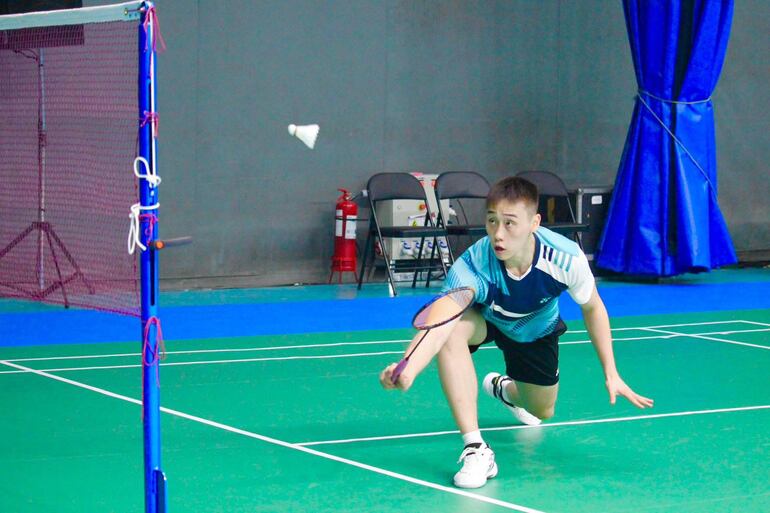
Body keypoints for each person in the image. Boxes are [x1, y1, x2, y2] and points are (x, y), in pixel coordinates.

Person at [379, 176, 654, 489]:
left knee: (542, 410)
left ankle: (505, 390)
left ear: (534, 222)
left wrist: (611, 372)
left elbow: (593, 308)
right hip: (487, 320)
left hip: (535, 330)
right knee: (453, 331)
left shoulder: (565, 258)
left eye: (510, 223)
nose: (498, 234)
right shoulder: (473, 264)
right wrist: (408, 368)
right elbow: (440, 320)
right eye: (492, 221)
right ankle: (475, 448)